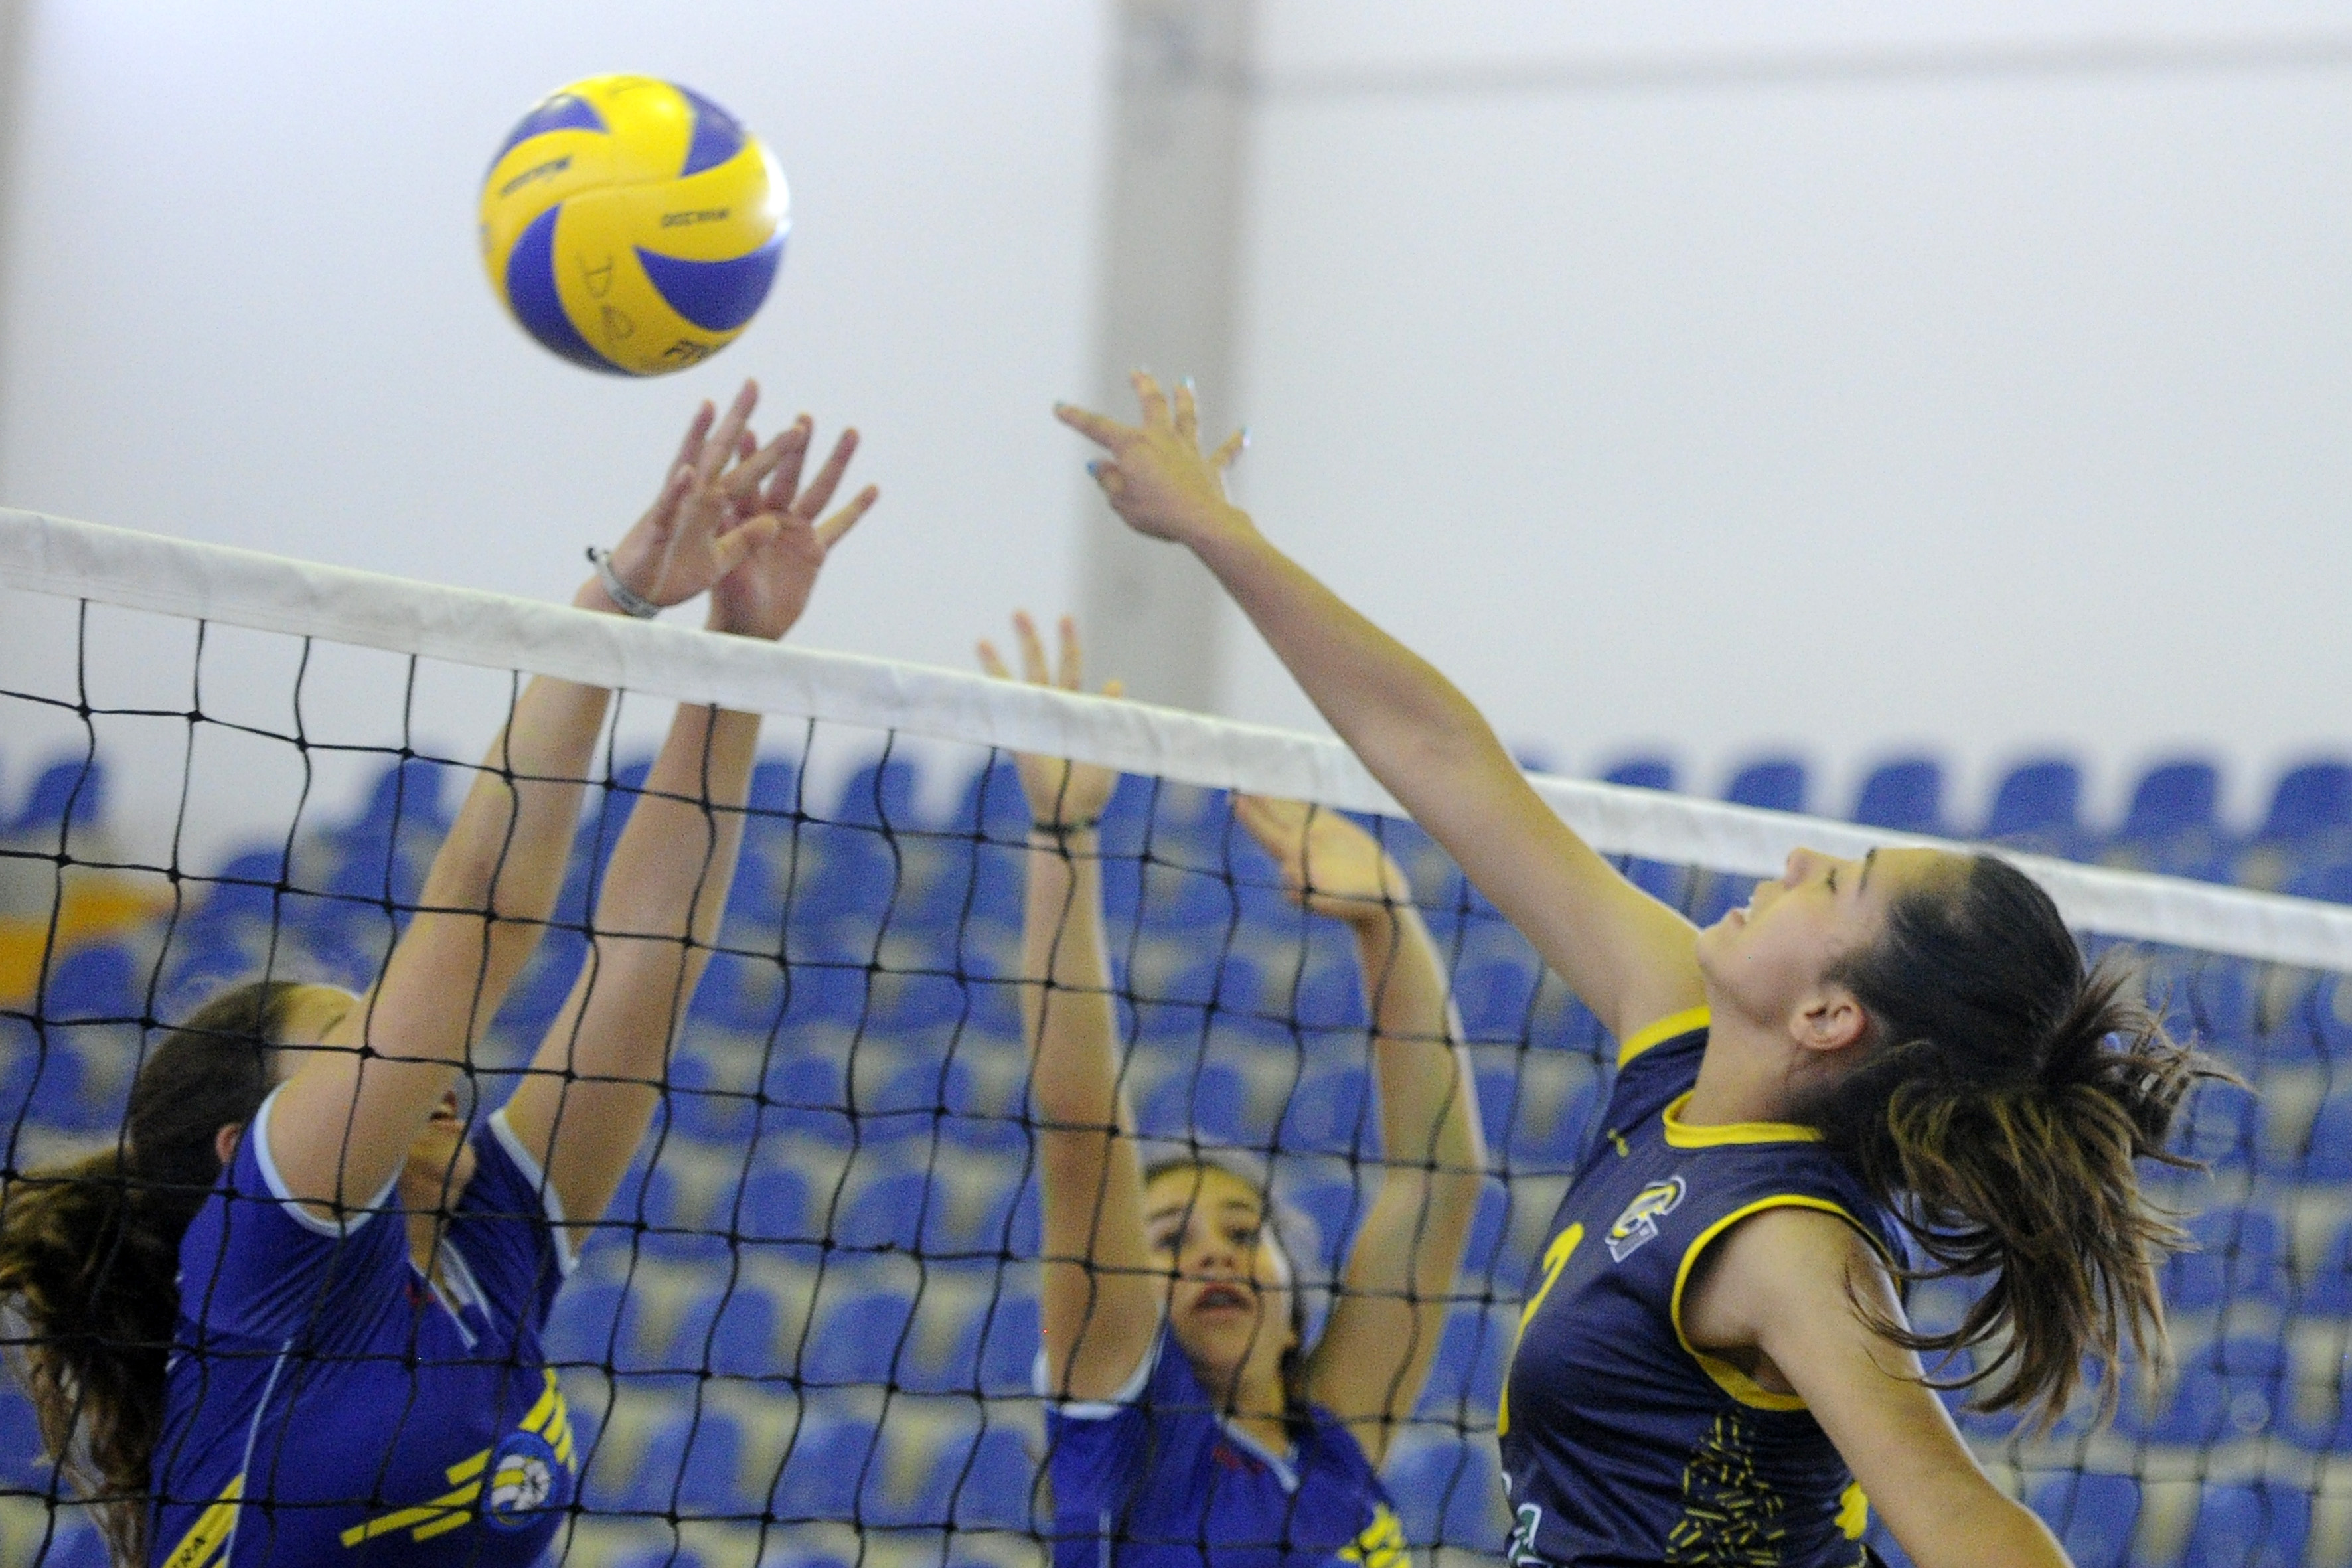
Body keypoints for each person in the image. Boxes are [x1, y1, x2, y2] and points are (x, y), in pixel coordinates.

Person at [1052, 374, 2216, 1568]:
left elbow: (1970, 1523)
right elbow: (1440, 753)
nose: (1799, 858)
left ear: (1827, 1013)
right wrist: (1218, 531)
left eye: (1838, 883)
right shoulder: (1677, 1027)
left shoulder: (1788, 1242)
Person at [0, 382, 878, 1566]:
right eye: (351, 1038)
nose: (428, 1062)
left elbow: (651, 955)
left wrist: (737, 652)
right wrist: (610, 611)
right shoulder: (268, 1257)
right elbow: (482, 913)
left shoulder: (494, 1241)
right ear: (248, 1148)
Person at [976, 611, 1485, 1568]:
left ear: (1294, 1295)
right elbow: (1082, 1129)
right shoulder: (1128, 1420)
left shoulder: (1333, 1441)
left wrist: (1389, 922)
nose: (1215, 1253)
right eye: (1171, 1240)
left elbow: (1439, 1179)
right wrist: (1062, 832)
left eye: (1245, 1233)